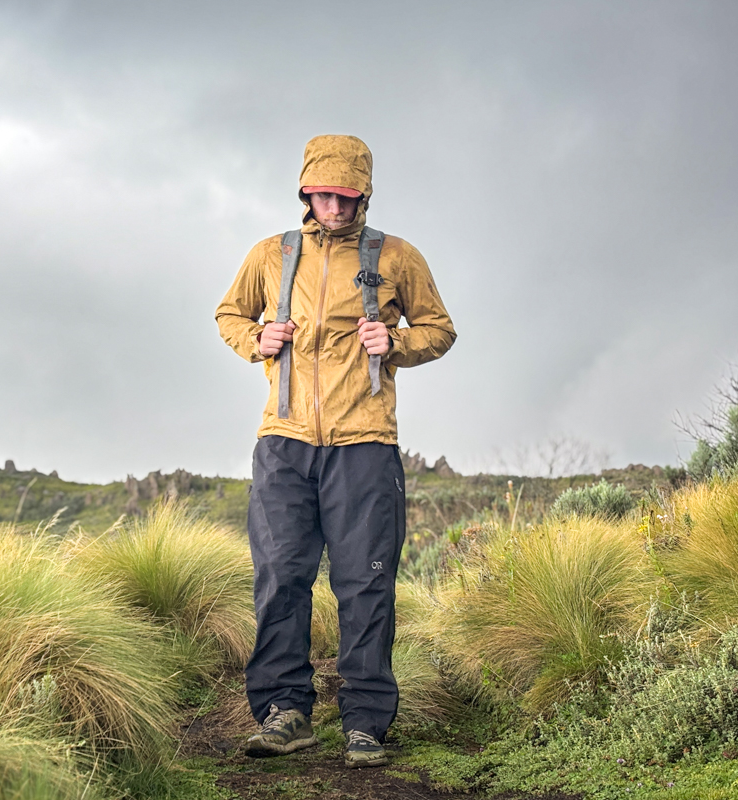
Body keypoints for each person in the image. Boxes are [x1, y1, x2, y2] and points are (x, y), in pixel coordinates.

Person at [214, 134, 456, 768]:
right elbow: (228, 314)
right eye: (324, 195)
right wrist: (258, 338)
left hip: (364, 444)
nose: (336, 207)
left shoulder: (397, 256)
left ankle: (366, 724)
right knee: (280, 579)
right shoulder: (271, 255)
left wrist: (396, 341)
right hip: (284, 442)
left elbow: (439, 328)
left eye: (347, 197)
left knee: (365, 584)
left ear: (364, 195)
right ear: (305, 192)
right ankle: (283, 713)